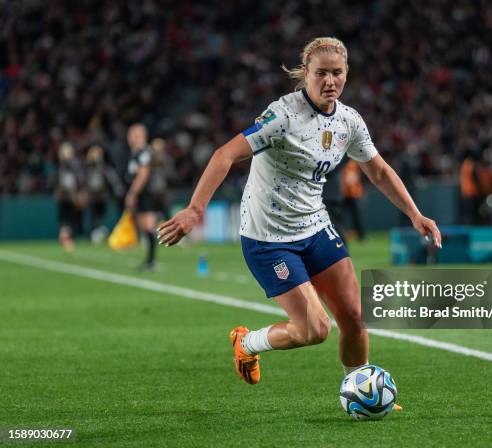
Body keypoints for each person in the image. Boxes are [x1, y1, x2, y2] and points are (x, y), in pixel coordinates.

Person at [157, 37, 441, 392]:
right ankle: (246, 343)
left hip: (315, 227)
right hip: (268, 239)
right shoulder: (282, 116)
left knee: (354, 316)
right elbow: (224, 155)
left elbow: (379, 171)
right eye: (321, 73)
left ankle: (361, 390)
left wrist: (415, 214)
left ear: (346, 74)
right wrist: (194, 209)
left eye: (337, 73)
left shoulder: (349, 121)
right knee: (315, 331)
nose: (330, 81)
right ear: (306, 74)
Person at [125, 123, 159, 270]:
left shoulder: (144, 152)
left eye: (132, 134)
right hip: (142, 193)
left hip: (146, 193)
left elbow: (143, 175)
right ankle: (149, 260)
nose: (129, 138)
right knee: (144, 226)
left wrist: (133, 193)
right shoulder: (136, 152)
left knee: (148, 225)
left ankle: (151, 261)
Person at [54, 142, 84, 252]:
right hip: (68, 196)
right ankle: (66, 238)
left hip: (67, 196)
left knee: (67, 219)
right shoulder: (65, 166)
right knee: (67, 218)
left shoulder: (64, 166)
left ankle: (65, 236)